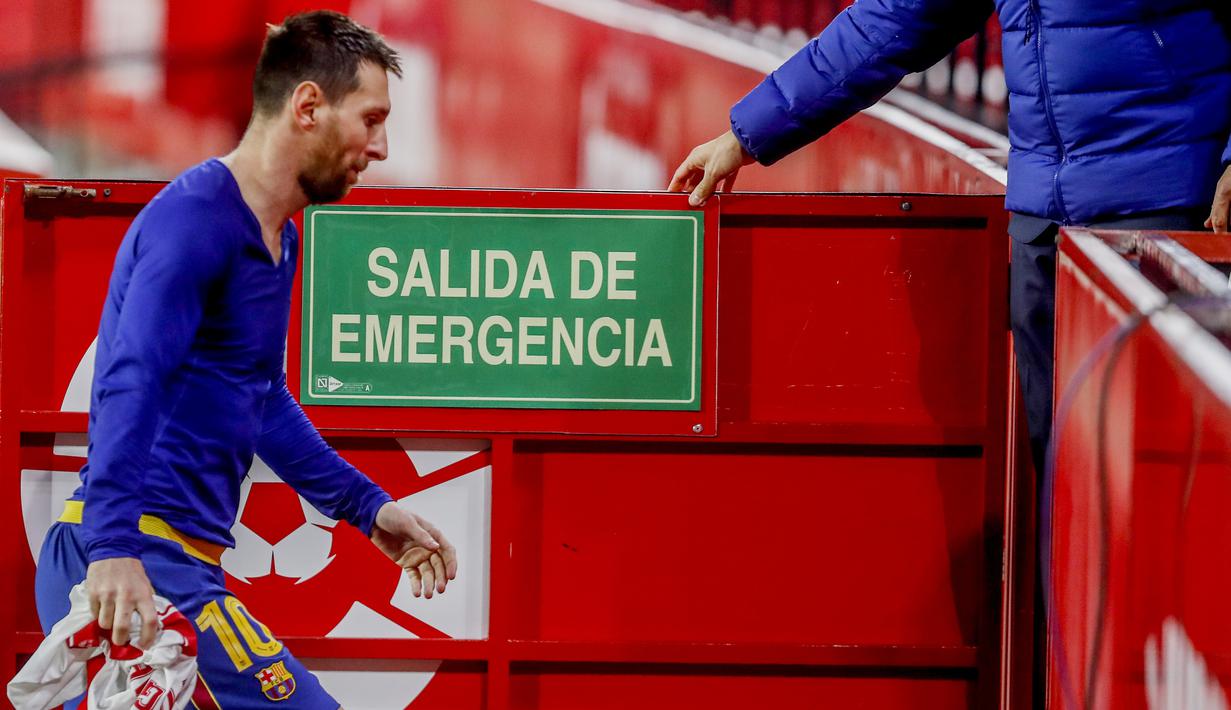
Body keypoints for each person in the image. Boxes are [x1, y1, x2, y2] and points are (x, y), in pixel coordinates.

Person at [669, 1, 1230, 706]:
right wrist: (746, 134)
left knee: (1156, 540)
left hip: (1167, 216)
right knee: (1068, 526)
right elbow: (892, 21)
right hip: (1044, 230)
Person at [34, 11, 457, 709]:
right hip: (132, 560)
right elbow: (130, 379)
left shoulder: (278, 239)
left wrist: (369, 511)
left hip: (163, 560)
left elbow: (258, 399)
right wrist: (113, 548)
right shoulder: (195, 221)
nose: (380, 147)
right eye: (372, 119)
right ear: (309, 107)